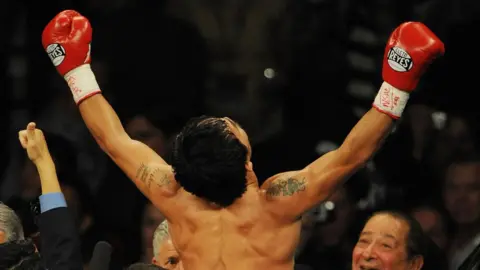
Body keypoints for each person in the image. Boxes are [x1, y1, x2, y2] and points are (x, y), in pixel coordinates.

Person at [41, 10, 444, 270]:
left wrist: (76, 70)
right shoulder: (278, 204)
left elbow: (113, 140)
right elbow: (352, 155)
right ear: (247, 162)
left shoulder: (176, 199)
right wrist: (398, 82)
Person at [18, 122, 84, 269]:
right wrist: (42, 161)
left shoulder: (68, 195)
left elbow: (60, 247)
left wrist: (43, 162)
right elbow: (61, 252)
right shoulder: (19, 203)